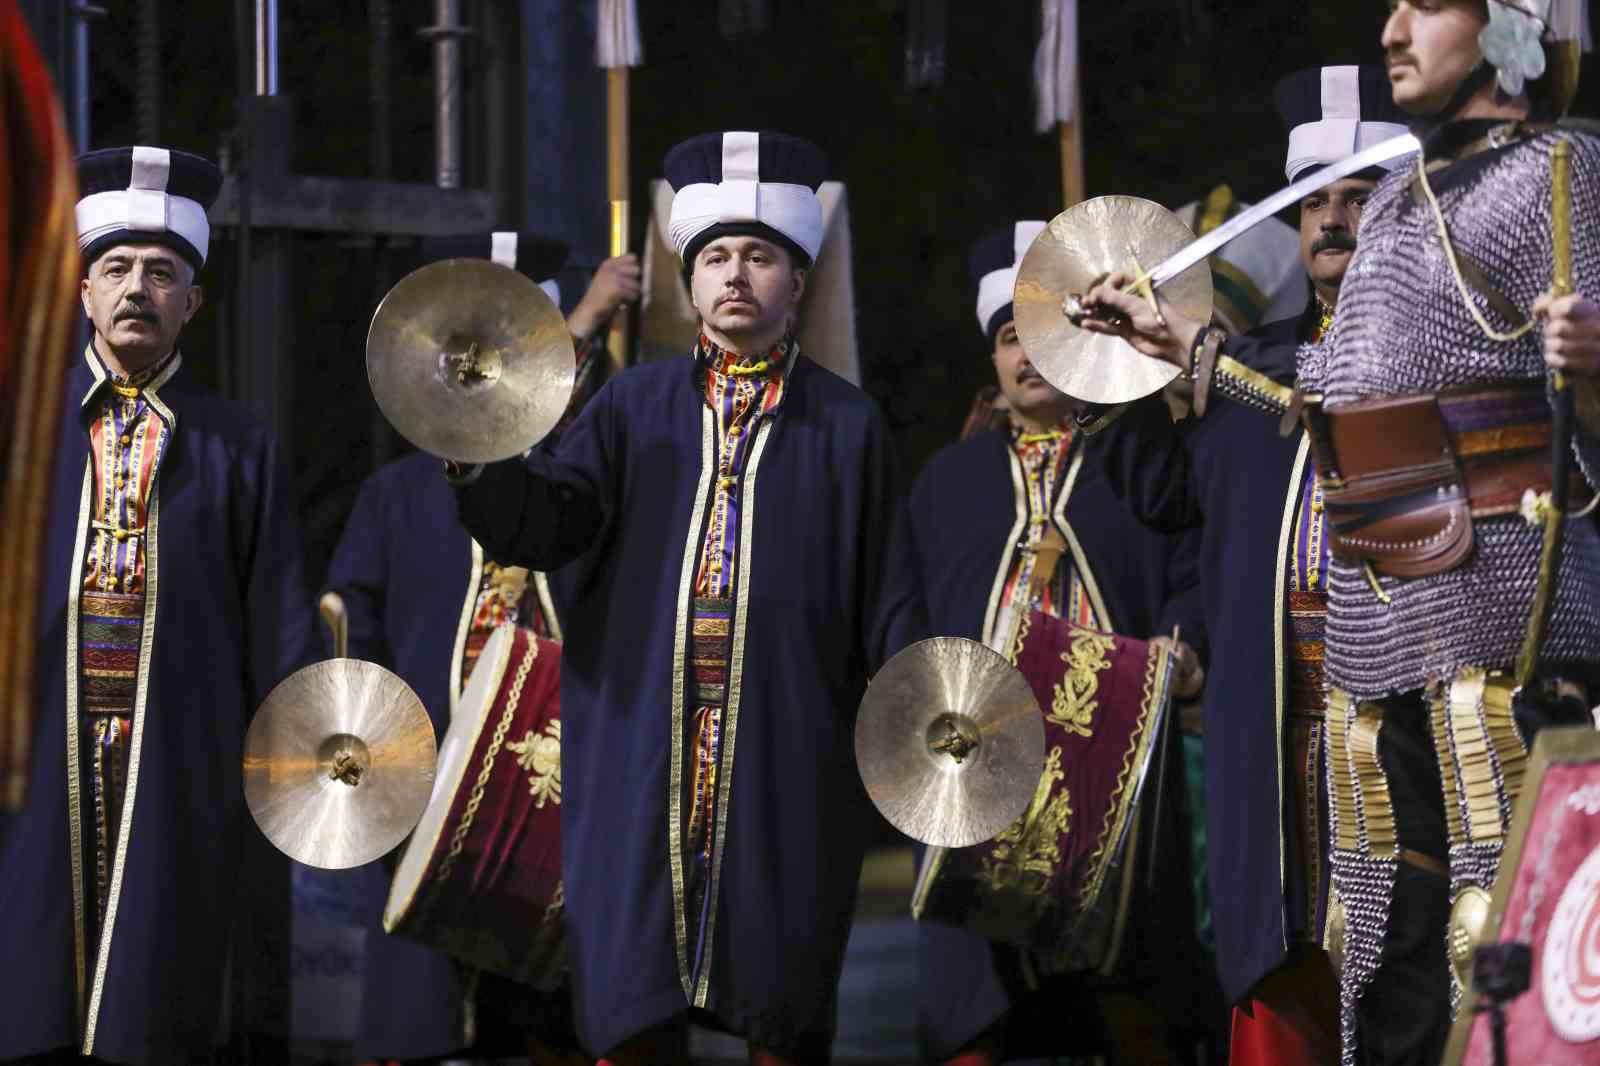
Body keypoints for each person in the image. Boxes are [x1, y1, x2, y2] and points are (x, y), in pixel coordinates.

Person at [1079, 5, 1600, 1061]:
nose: (1393, 26)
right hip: (1385, 629)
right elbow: (1330, 395)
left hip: (1509, 622)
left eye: (1428, 4)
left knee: (1503, 944)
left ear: (1507, 28)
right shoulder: (1401, 205)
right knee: (1383, 952)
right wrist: (1187, 349)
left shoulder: (1563, 171)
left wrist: (1593, 366)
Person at [449, 130, 926, 1065]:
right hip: (638, 743)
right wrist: (479, 453)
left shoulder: (849, 423)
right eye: (715, 256)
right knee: (632, 996)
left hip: (786, 748)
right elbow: (547, 524)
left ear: (797, 278)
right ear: (689, 278)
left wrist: (925, 722)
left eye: (760, 256)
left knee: (780, 992)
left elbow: (889, 599)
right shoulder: (632, 406)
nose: (736, 275)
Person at [1078, 65, 1409, 1065]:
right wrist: (1115, 364)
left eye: (1359, 199)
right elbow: (1156, 493)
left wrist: (1204, 362)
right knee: (1283, 981)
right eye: (1314, 201)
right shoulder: (1239, 365)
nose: (1332, 221)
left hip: (1397, 733)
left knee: (1407, 979)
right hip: (1274, 730)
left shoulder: (1429, 359)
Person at [0, 146, 317, 1064]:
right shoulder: (22, 422)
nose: (137, 288)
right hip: (37, 757)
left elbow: (280, 619)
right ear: (83, 293)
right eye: (116, 269)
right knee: (30, 975)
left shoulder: (240, 446)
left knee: (160, 992)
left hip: (183, 756)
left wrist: (298, 770)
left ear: (193, 301)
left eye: (161, 273)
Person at [324, 231, 634, 1065]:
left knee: (554, 1019)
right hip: (424, 796)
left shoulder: (596, 482)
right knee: (425, 1019)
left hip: (568, 804)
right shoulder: (392, 495)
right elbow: (355, 619)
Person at [908, 221, 1214, 1065]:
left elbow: (1194, 561)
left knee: (1129, 1000)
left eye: (1048, 331)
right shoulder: (947, 482)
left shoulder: (1144, 453)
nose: (1028, 354)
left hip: (1119, 769)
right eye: (1011, 336)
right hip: (978, 773)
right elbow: (911, 618)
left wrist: (1184, 649)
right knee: (977, 1007)